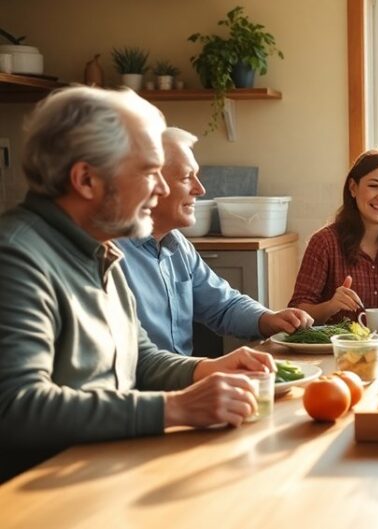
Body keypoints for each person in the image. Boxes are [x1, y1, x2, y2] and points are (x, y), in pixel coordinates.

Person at [0, 87, 274, 481]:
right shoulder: (17, 257)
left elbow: (140, 358)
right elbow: (16, 407)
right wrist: (175, 408)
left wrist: (208, 369)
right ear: (86, 180)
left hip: (110, 473)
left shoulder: (101, 250)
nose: (161, 188)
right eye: (148, 172)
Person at [117, 127, 312, 356]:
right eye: (186, 177)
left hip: (185, 382)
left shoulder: (178, 244)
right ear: (150, 182)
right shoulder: (112, 254)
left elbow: (223, 305)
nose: (200, 189)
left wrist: (268, 319)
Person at [290, 148, 378, 324]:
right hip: (337, 349)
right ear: (353, 188)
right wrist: (331, 306)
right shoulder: (324, 243)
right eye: (374, 185)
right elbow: (296, 311)